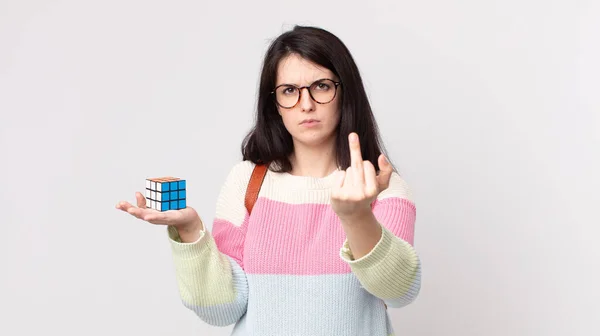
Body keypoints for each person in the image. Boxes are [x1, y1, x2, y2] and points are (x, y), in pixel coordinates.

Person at [116, 25, 421, 335]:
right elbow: (223, 308)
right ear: (274, 104)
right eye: (289, 90)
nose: (306, 104)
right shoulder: (247, 181)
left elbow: (398, 291)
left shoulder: (382, 187)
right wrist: (190, 231)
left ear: (345, 92)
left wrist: (356, 218)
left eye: (322, 86)